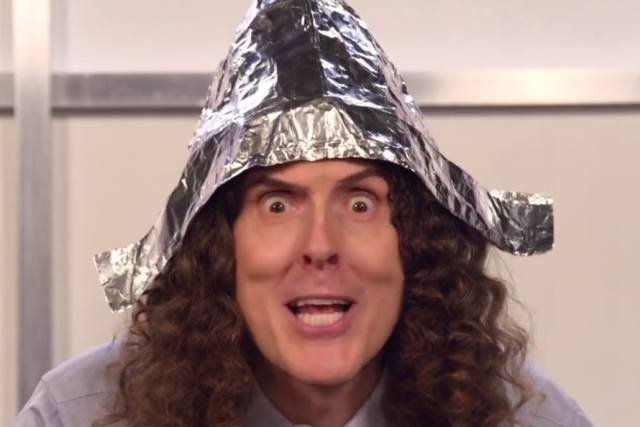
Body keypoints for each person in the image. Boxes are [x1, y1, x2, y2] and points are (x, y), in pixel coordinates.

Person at [16, 0, 593, 426]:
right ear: (221, 251)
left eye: (361, 203)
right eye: (277, 204)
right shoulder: (78, 414)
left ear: (417, 247)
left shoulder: (527, 418)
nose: (320, 245)